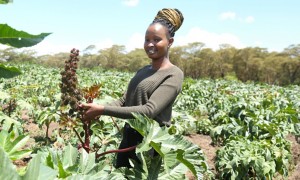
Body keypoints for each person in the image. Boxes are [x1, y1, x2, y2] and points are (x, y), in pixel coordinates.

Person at [79, 8, 184, 168]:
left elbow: (149, 111)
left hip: (149, 146)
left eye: (156, 40)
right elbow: (124, 101)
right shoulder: (143, 71)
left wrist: (102, 110)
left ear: (170, 42)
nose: (150, 44)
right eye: (147, 39)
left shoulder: (174, 74)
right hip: (128, 140)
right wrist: (92, 109)